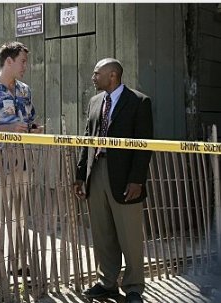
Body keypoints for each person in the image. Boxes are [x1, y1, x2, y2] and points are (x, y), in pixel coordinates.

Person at [73, 58, 153, 303]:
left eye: (97, 73)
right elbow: (87, 137)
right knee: (102, 231)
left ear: (113, 76)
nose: (93, 77)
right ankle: (107, 282)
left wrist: (137, 180)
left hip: (126, 176)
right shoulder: (95, 102)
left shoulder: (139, 102)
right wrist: (80, 175)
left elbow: (144, 144)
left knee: (129, 235)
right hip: (96, 173)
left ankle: (133, 288)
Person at [0, 41, 43, 277]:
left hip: (22, 162)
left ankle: (17, 264)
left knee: (19, 216)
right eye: (23, 61)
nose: (26, 66)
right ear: (9, 61)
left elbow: (30, 119)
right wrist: (9, 128)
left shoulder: (25, 90)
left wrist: (33, 130)